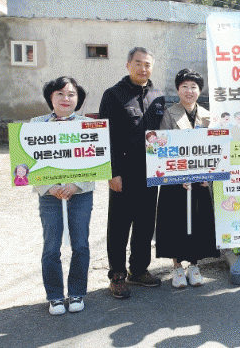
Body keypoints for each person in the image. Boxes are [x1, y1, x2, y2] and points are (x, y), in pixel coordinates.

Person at [99, 47, 165, 299]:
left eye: (147, 64)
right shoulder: (113, 95)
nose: (143, 68)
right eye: (138, 63)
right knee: (119, 224)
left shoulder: (158, 96)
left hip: (152, 172)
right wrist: (112, 172)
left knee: (146, 223)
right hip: (124, 172)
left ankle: (138, 269)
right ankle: (117, 275)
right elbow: (105, 137)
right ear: (128, 65)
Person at [31, 76, 94, 315]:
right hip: (50, 196)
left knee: (81, 244)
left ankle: (77, 292)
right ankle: (55, 296)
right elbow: (28, 162)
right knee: (51, 247)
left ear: (78, 99)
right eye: (60, 94)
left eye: (71, 94)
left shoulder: (89, 125)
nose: (66, 99)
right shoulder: (35, 124)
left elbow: (96, 160)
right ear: (51, 97)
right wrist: (49, 187)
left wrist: (76, 184)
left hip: (81, 194)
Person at [155, 68, 220, 288]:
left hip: (201, 180)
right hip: (175, 182)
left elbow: (214, 149)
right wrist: (176, 175)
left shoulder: (208, 115)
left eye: (194, 87)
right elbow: (162, 149)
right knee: (175, 223)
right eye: (184, 86)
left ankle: (194, 265)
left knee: (199, 222)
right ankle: (177, 266)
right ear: (177, 89)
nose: (189, 91)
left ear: (200, 90)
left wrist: (210, 175)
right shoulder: (169, 114)